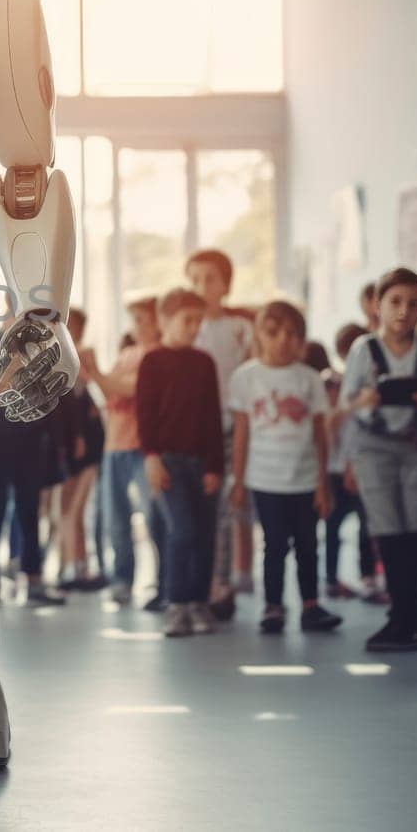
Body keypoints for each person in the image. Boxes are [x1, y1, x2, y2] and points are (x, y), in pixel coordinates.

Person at [341, 268, 417, 653]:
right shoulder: (363, 350)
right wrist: (363, 401)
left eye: (413, 304)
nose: (403, 311)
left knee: (415, 525)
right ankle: (397, 614)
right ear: (377, 305)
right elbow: (346, 404)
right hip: (373, 445)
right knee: (386, 525)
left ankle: (410, 616)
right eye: (395, 302)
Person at [227, 302, 342, 635]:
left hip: (304, 479)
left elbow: (321, 434)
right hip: (265, 479)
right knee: (274, 544)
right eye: (273, 332)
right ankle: (273, 605)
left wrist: (323, 482)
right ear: (259, 335)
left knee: (308, 544)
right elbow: (242, 433)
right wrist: (238, 480)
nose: (282, 340)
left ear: (301, 339)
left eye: (291, 334)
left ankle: (311, 604)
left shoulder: (309, 379)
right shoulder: (245, 378)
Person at [135, 288, 225, 638]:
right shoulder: (152, 362)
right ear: (165, 320)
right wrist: (152, 458)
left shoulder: (205, 364)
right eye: (188, 320)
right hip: (168, 463)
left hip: (202, 463)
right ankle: (177, 603)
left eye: (198, 321)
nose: (194, 327)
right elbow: (145, 416)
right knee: (182, 531)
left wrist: (216, 467)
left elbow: (213, 419)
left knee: (205, 535)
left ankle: (199, 602)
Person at [0, 315, 66, 608]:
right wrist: (6, 377)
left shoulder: (43, 346)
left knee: (29, 511)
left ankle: (33, 579)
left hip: (31, 443)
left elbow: (53, 396)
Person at [84, 293, 167, 609]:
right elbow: (110, 391)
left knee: (153, 518)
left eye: (143, 319)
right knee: (116, 520)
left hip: (141, 447)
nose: (137, 326)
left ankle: (163, 582)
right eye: (135, 320)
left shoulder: (157, 356)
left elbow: (130, 389)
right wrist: (98, 374)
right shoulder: (129, 354)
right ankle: (122, 581)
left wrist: (97, 371)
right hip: (114, 445)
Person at [184, 249, 255, 620]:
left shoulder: (239, 329)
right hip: (191, 435)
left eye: (210, 278)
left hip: (227, 429)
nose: (201, 286)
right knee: (190, 513)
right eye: (194, 279)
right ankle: (187, 587)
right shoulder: (187, 329)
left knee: (224, 510)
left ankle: (220, 585)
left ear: (225, 284)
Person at [51, 308, 107, 592]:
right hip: (67, 449)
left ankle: (77, 568)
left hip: (87, 449)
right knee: (65, 510)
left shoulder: (81, 362)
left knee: (74, 509)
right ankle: (70, 567)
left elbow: (90, 406)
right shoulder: (53, 364)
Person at [328, 322, 383, 604]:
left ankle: (368, 577)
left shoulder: (367, 388)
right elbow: (332, 426)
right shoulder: (333, 384)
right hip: (336, 467)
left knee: (366, 522)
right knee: (333, 524)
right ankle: (331, 579)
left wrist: (353, 463)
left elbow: (360, 429)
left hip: (358, 464)